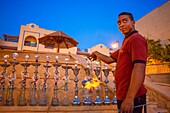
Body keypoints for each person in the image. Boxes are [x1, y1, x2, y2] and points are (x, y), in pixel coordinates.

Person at [89, 12, 147, 113]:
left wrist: (129, 98)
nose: (121, 24)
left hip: (132, 97)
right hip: (123, 95)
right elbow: (109, 59)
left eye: (125, 21)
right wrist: (95, 52)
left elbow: (139, 67)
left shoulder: (136, 39)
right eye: (119, 22)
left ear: (133, 22)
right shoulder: (126, 41)